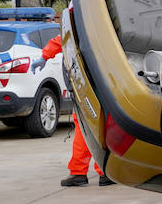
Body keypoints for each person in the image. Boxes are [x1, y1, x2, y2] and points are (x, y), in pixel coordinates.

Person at [40, 35, 113, 187]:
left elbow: (64, 37)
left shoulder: (81, 18)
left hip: (83, 84)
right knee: (98, 127)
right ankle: (101, 171)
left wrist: (45, 55)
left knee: (86, 128)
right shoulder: (94, 20)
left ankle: (81, 172)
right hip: (96, 84)